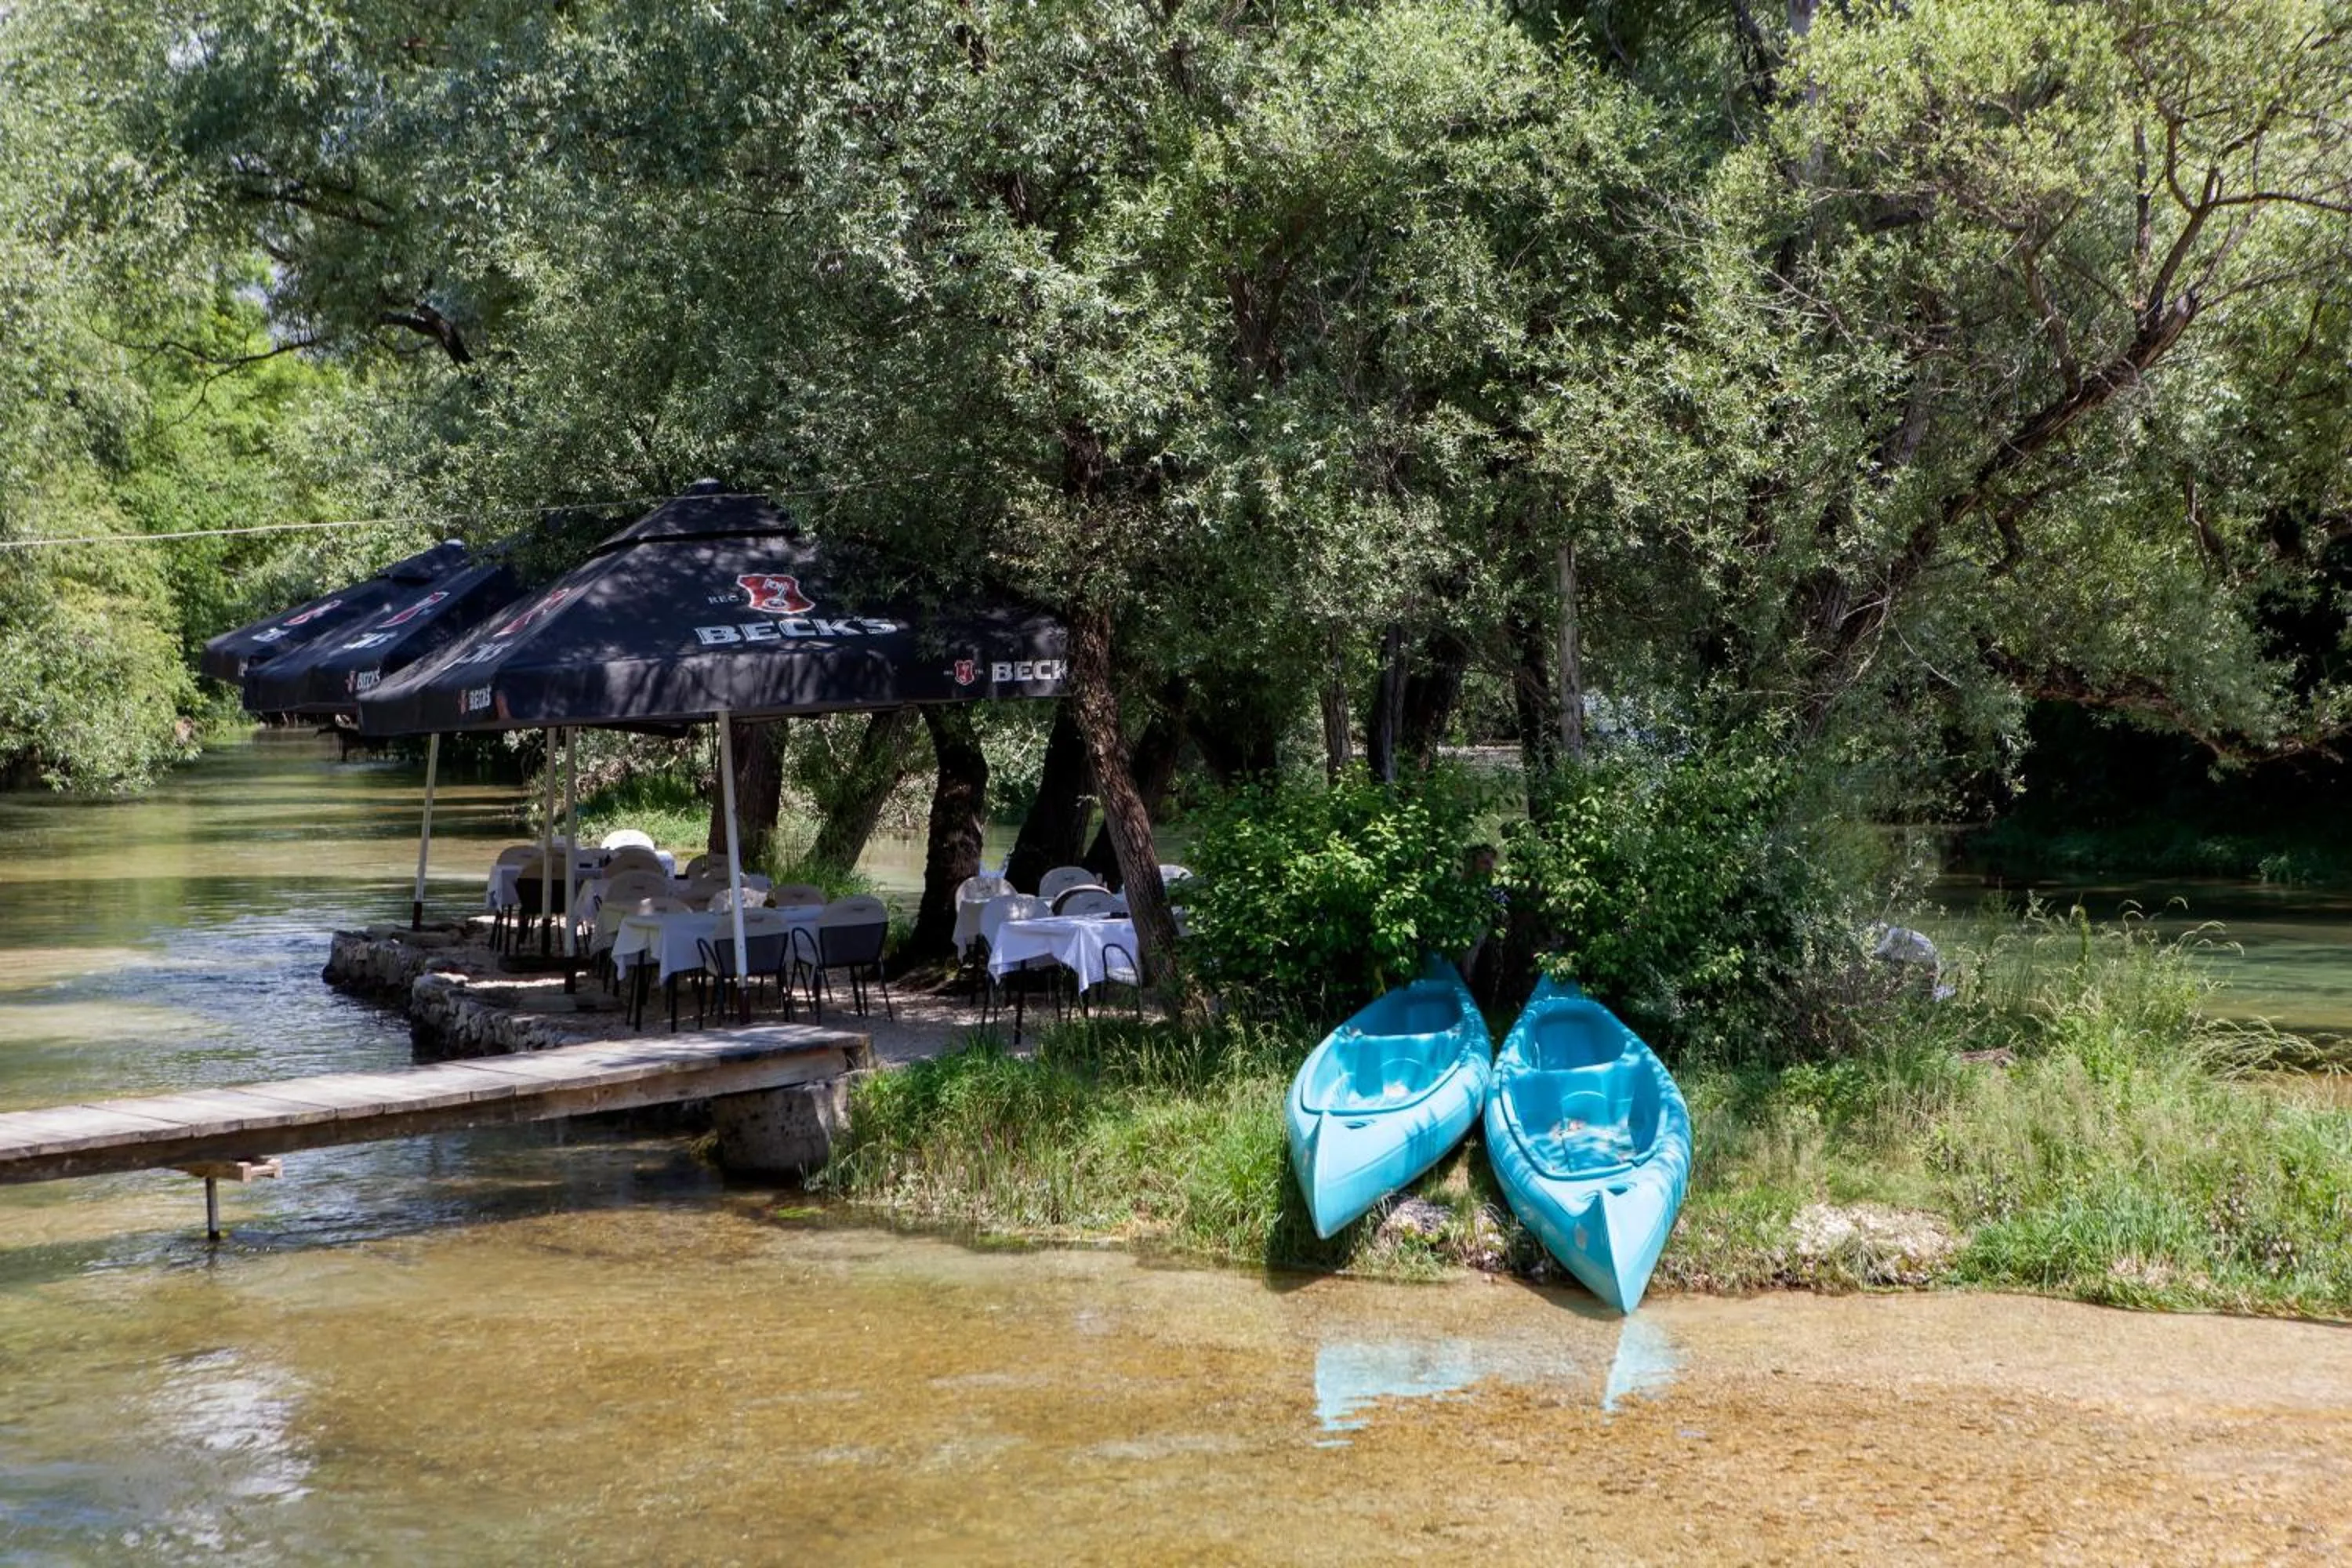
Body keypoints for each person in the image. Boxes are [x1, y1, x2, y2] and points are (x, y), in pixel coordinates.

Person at [1458, 844, 1506, 1007]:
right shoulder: (1463, 887)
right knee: (1467, 962)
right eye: (1484, 862)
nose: (1490, 867)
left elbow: (1502, 904)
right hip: (1467, 931)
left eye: (1491, 862)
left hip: (1487, 933)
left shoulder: (1493, 886)